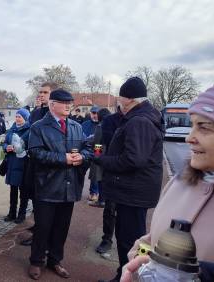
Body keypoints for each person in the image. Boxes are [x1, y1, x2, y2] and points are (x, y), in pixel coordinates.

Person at [120, 82, 214, 282]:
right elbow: (154, 238)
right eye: (192, 125)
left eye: (204, 127)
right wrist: (139, 255)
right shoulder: (179, 182)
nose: (189, 137)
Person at [95, 77, 164, 282]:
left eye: (121, 100)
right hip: (136, 191)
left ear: (131, 100)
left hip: (133, 192)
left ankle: (131, 277)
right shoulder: (144, 117)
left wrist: (104, 161)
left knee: (129, 240)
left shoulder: (139, 121)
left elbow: (134, 159)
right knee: (138, 238)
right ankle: (127, 274)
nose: (119, 105)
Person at [27, 89, 92, 280]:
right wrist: (62, 158)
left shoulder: (76, 127)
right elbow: (36, 154)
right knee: (43, 227)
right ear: (52, 104)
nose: (68, 106)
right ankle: (36, 261)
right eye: (64, 103)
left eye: (70, 103)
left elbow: (87, 149)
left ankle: (55, 260)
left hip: (69, 186)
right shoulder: (38, 127)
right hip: (47, 186)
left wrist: (82, 156)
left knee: (61, 228)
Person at [21, 81, 59, 246]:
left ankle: (46, 236)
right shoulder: (36, 113)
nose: (41, 95)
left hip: (49, 166)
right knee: (35, 200)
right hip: (33, 163)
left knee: (47, 206)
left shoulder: (57, 115)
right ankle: (38, 230)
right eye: (40, 92)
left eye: (45, 92)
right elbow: (29, 132)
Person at [95, 106, 124, 254]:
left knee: (125, 212)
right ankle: (107, 239)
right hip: (110, 170)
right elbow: (98, 143)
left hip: (127, 172)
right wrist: (98, 157)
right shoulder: (109, 122)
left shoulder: (136, 121)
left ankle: (125, 241)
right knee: (109, 208)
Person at [2, 108, 30, 224]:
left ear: (25, 118)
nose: (17, 119)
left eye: (20, 117)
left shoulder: (29, 130)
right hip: (12, 163)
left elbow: (30, 146)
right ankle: (11, 213)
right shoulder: (12, 129)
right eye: (17, 116)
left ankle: (22, 214)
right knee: (12, 190)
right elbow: (4, 142)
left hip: (23, 164)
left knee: (23, 191)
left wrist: (20, 148)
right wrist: (6, 147)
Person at [87, 107, 112, 207]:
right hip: (110, 153)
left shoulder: (100, 126)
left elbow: (97, 142)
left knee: (99, 176)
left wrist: (96, 157)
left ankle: (101, 200)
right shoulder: (112, 124)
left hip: (100, 151)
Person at [82, 105, 101, 201]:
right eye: (93, 113)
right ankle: (78, 189)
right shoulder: (84, 124)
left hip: (97, 149)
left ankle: (94, 192)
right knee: (81, 171)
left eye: (97, 113)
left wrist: (97, 153)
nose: (95, 115)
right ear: (90, 113)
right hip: (85, 150)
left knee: (95, 173)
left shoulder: (102, 124)